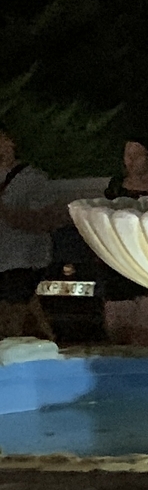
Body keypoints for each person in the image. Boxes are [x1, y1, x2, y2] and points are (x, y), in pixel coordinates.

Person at [96, 136, 148, 345]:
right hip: (119, 261)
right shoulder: (115, 187)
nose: (129, 160)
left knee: (146, 332)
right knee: (118, 332)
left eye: (136, 155)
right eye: (127, 155)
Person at [0, 125, 68, 340]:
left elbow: (44, 220)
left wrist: (8, 213)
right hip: (6, 258)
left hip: (24, 259)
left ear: (11, 143)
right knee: (28, 316)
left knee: (12, 319)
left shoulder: (33, 179)